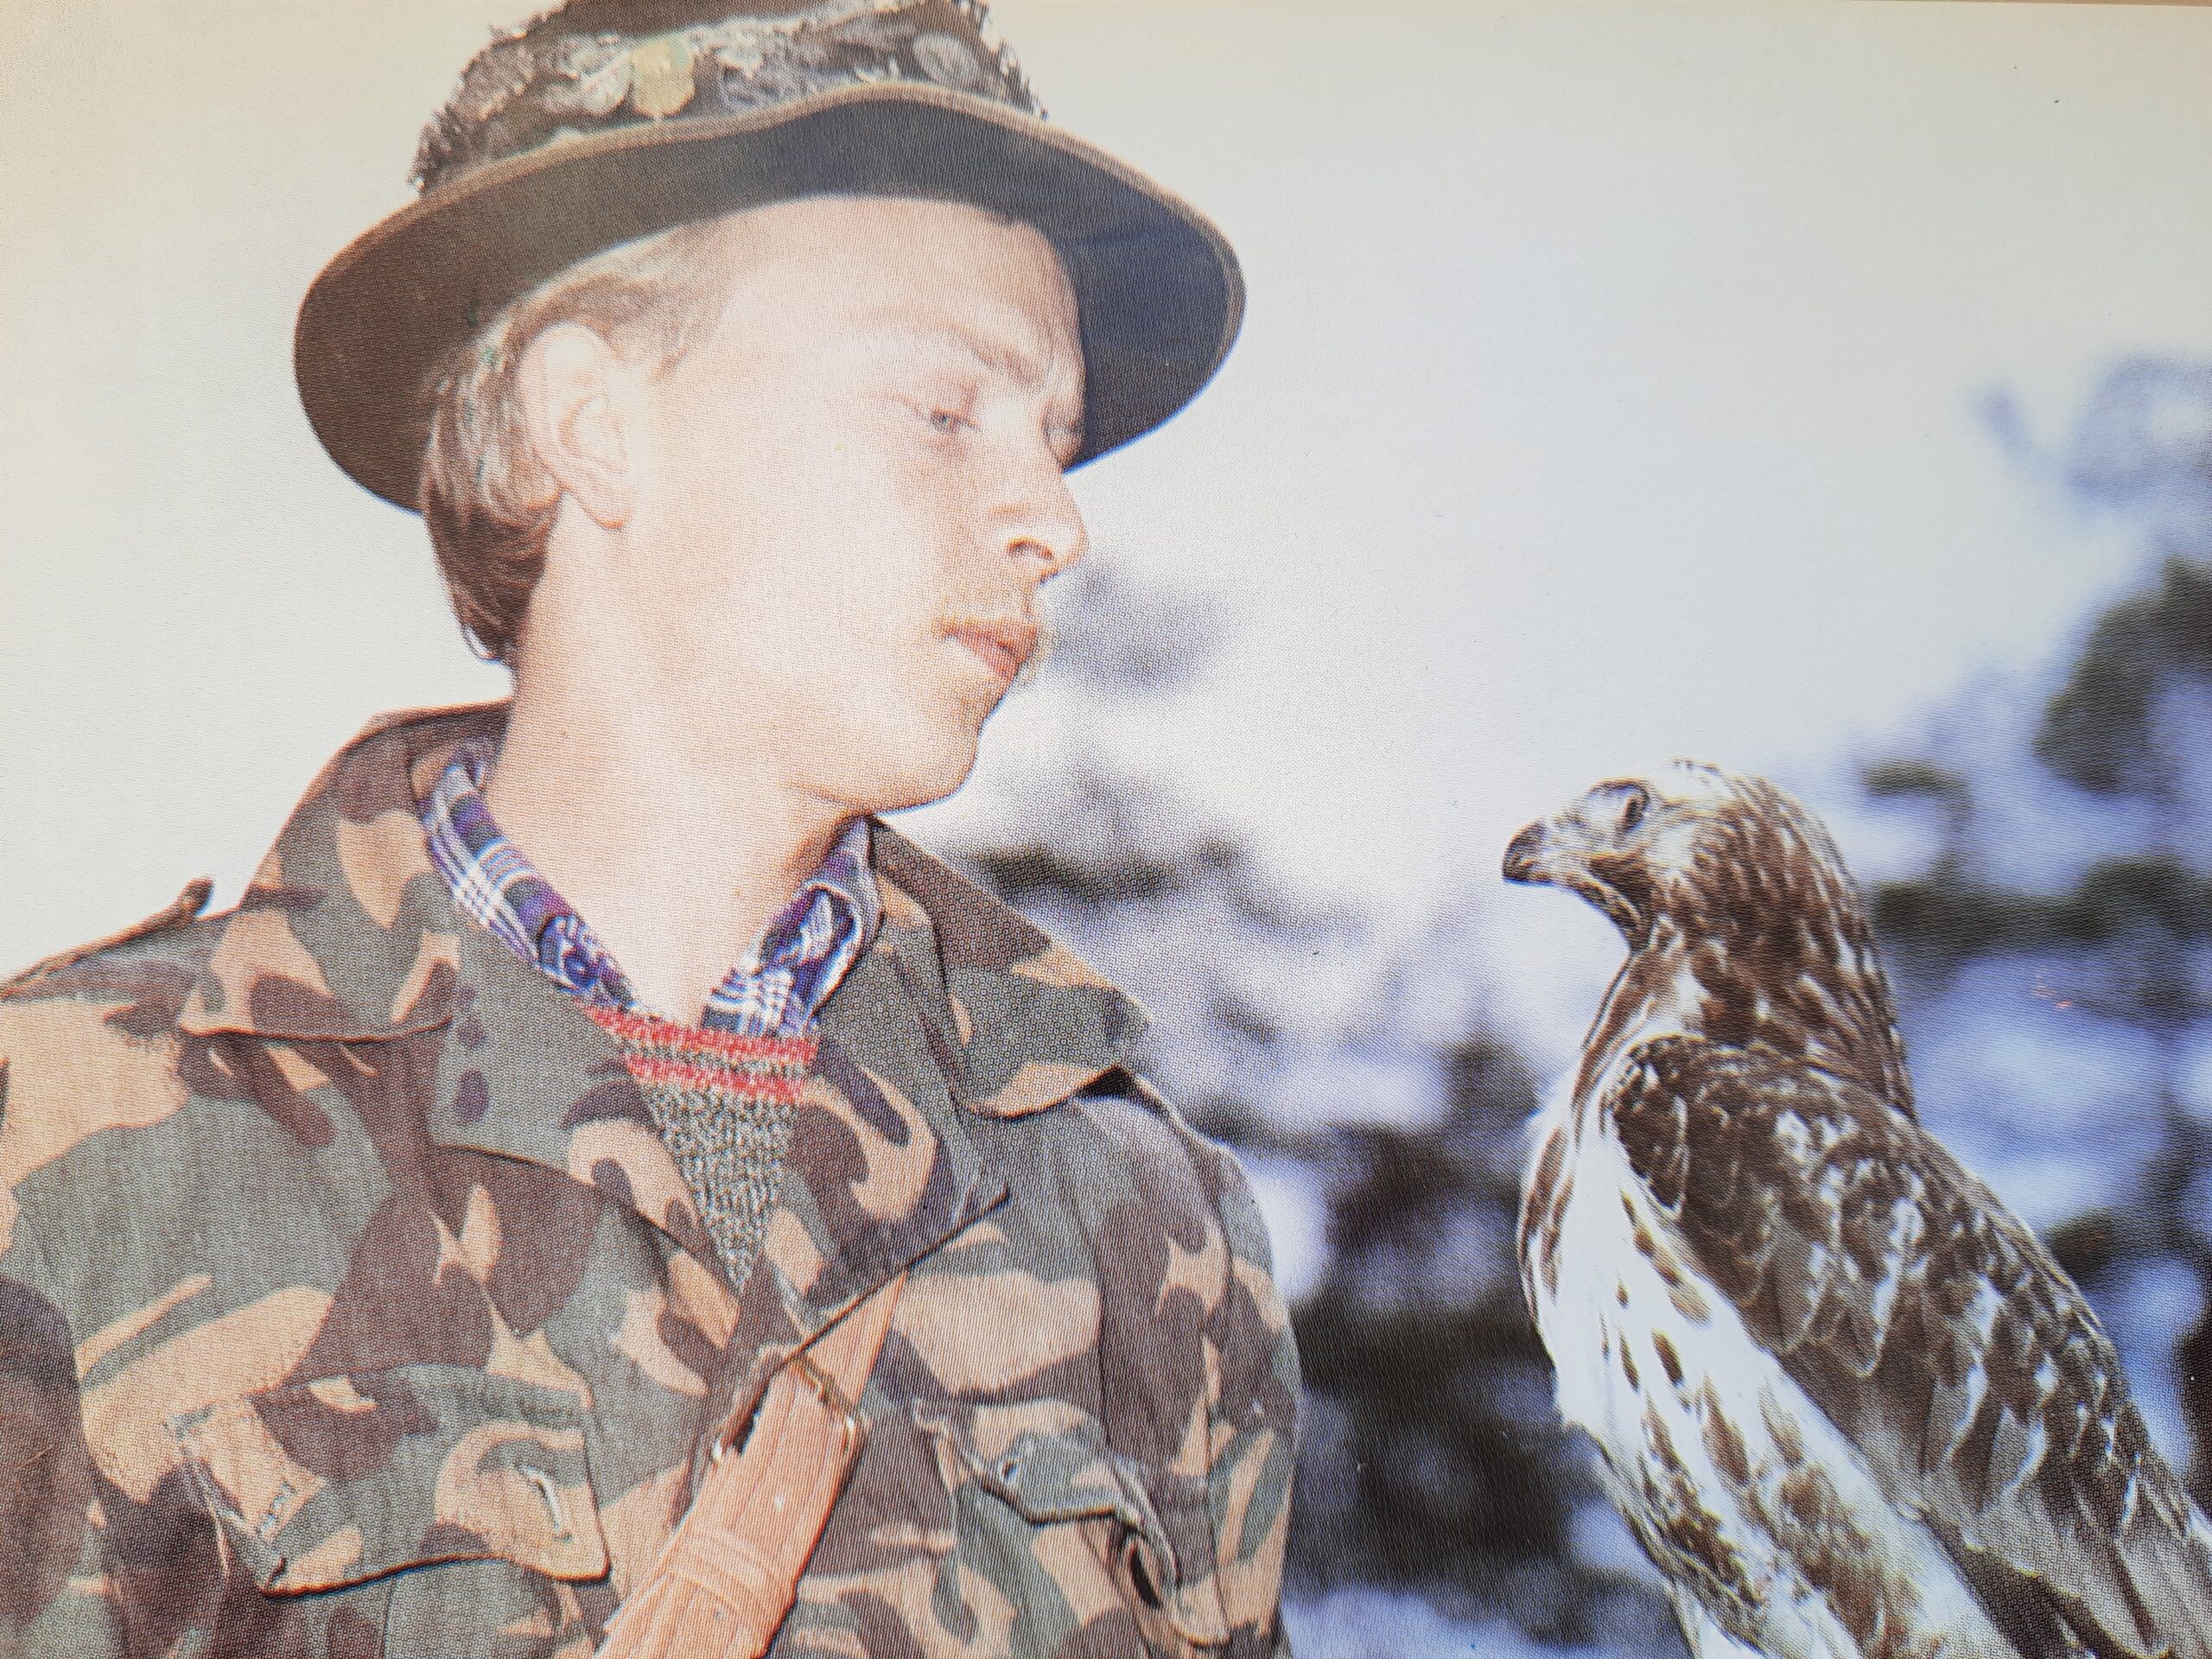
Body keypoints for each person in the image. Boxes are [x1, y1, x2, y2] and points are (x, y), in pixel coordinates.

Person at [0, 3, 1300, 1655]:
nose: (1054, 520)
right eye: (943, 409)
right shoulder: (69, 1144)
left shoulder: (1142, 1220)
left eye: (1053, 443)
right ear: (595, 425)